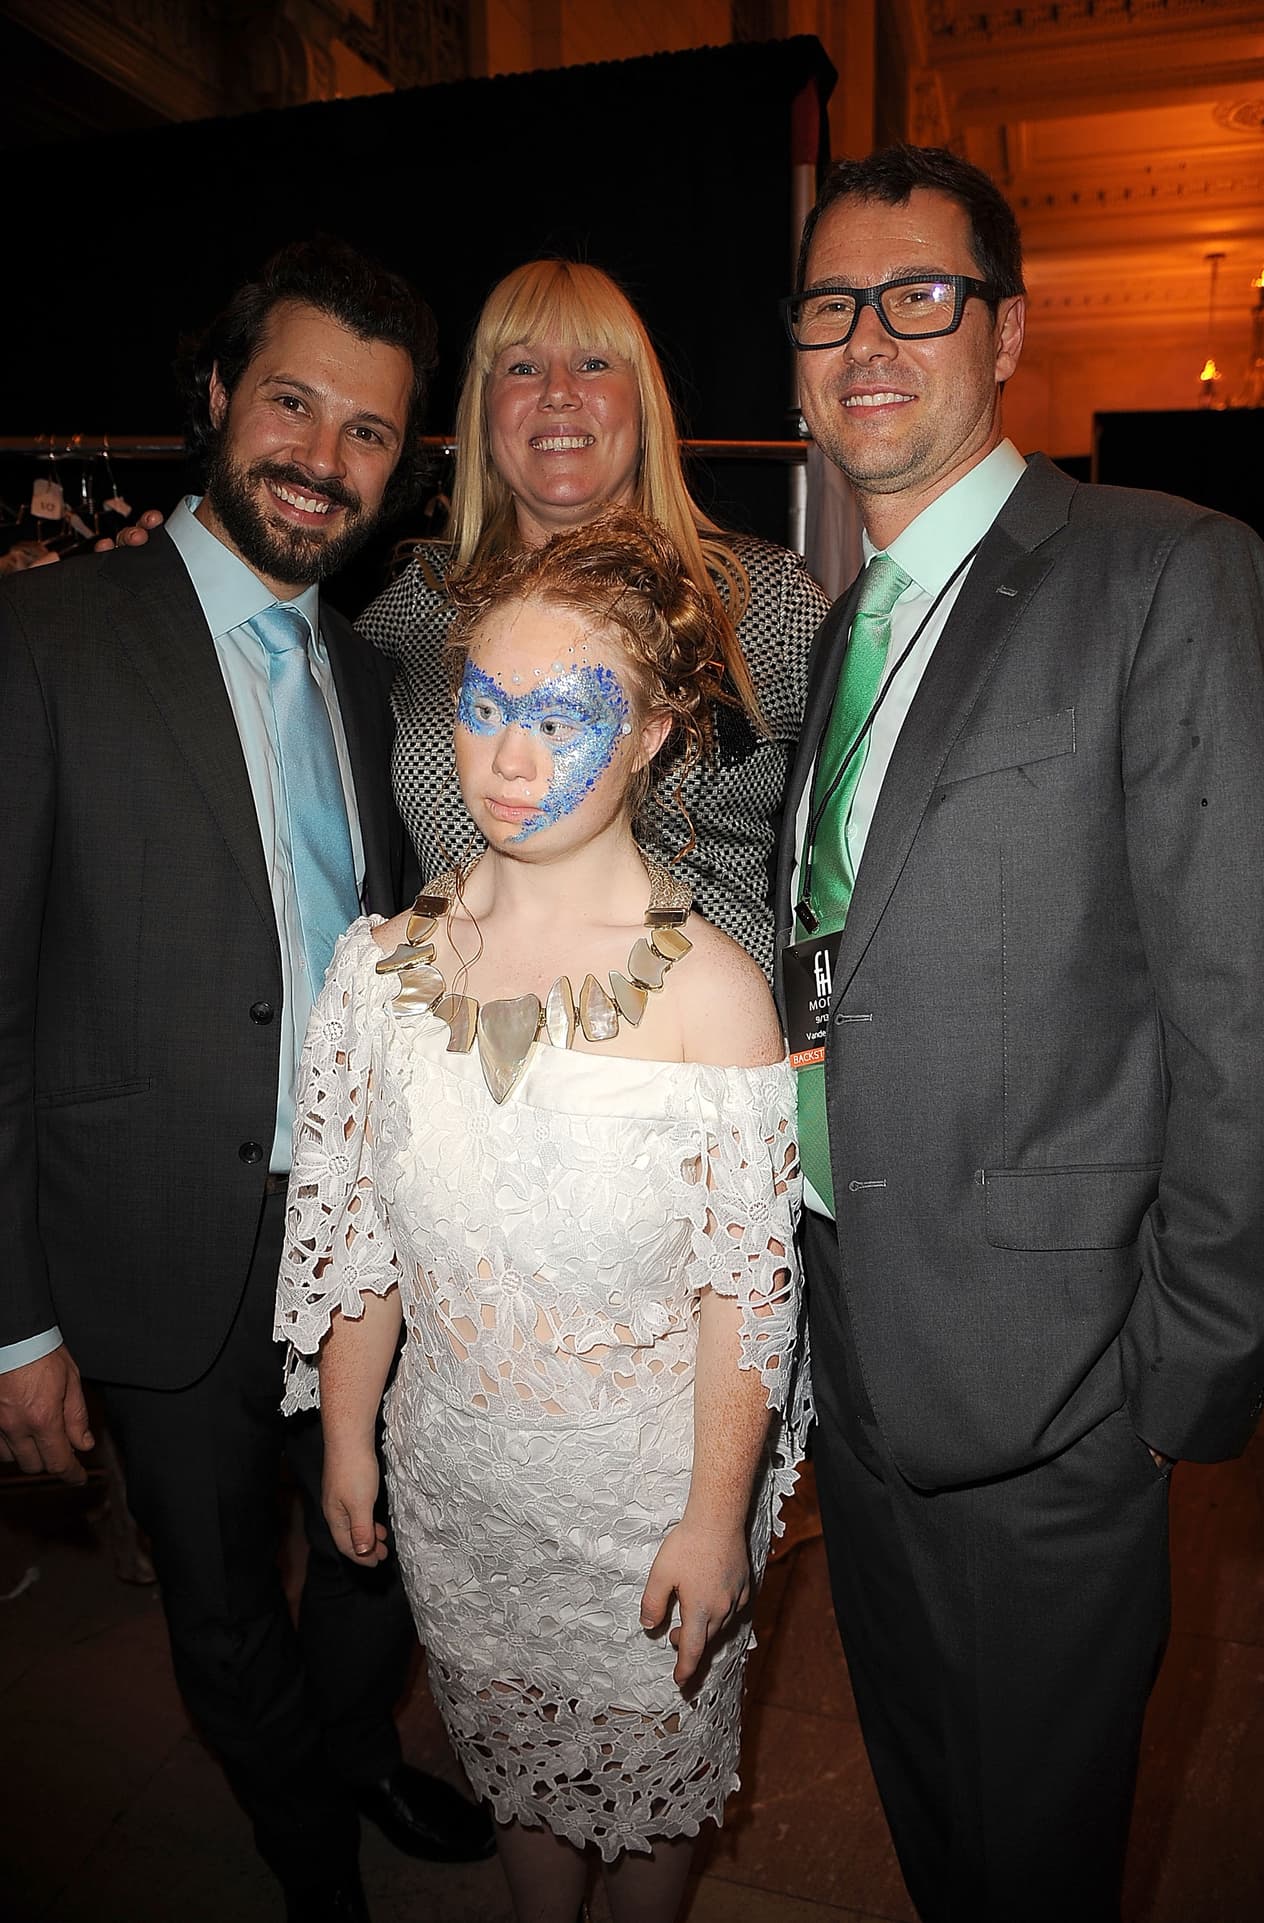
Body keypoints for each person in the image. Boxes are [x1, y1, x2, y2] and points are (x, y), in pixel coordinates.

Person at [774, 144, 1264, 1923]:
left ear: (1008, 332)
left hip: (1065, 1386)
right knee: (931, 1814)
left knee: (1044, 1860)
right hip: (859, 1350)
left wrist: (1183, 1381)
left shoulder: (1168, 573)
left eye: (921, 296)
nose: (870, 340)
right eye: (832, 305)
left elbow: (1243, 1000)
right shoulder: (842, 626)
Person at [0, 238, 493, 1921]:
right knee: (219, 1607)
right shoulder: (47, 635)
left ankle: (346, 1743)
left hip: (359, 1231)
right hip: (154, 1240)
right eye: (291, 402)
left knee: (389, 1549)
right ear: (214, 400)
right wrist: (15, 1317)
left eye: (367, 432)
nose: (323, 457)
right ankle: (306, 1851)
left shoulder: (366, 672)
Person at [275, 509, 810, 1923]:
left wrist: (713, 1515)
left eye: (564, 715)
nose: (509, 756)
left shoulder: (713, 996)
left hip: (644, 1510)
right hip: (459, 1496)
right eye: (484, 706)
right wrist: (345, 1431)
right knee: (514, 1774)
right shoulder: (380, 971)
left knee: (643, 1821)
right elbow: (354, 1234)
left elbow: (746, 1292)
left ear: (651, 733)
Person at [356, 257, 830, 974]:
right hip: (475, 1058)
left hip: (706, 1055)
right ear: (483, 411)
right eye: (521, 368)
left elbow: (861, 853)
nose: (557, 394)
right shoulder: (409, 617)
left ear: (643, 401)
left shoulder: (767, 602)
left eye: (592, 362)